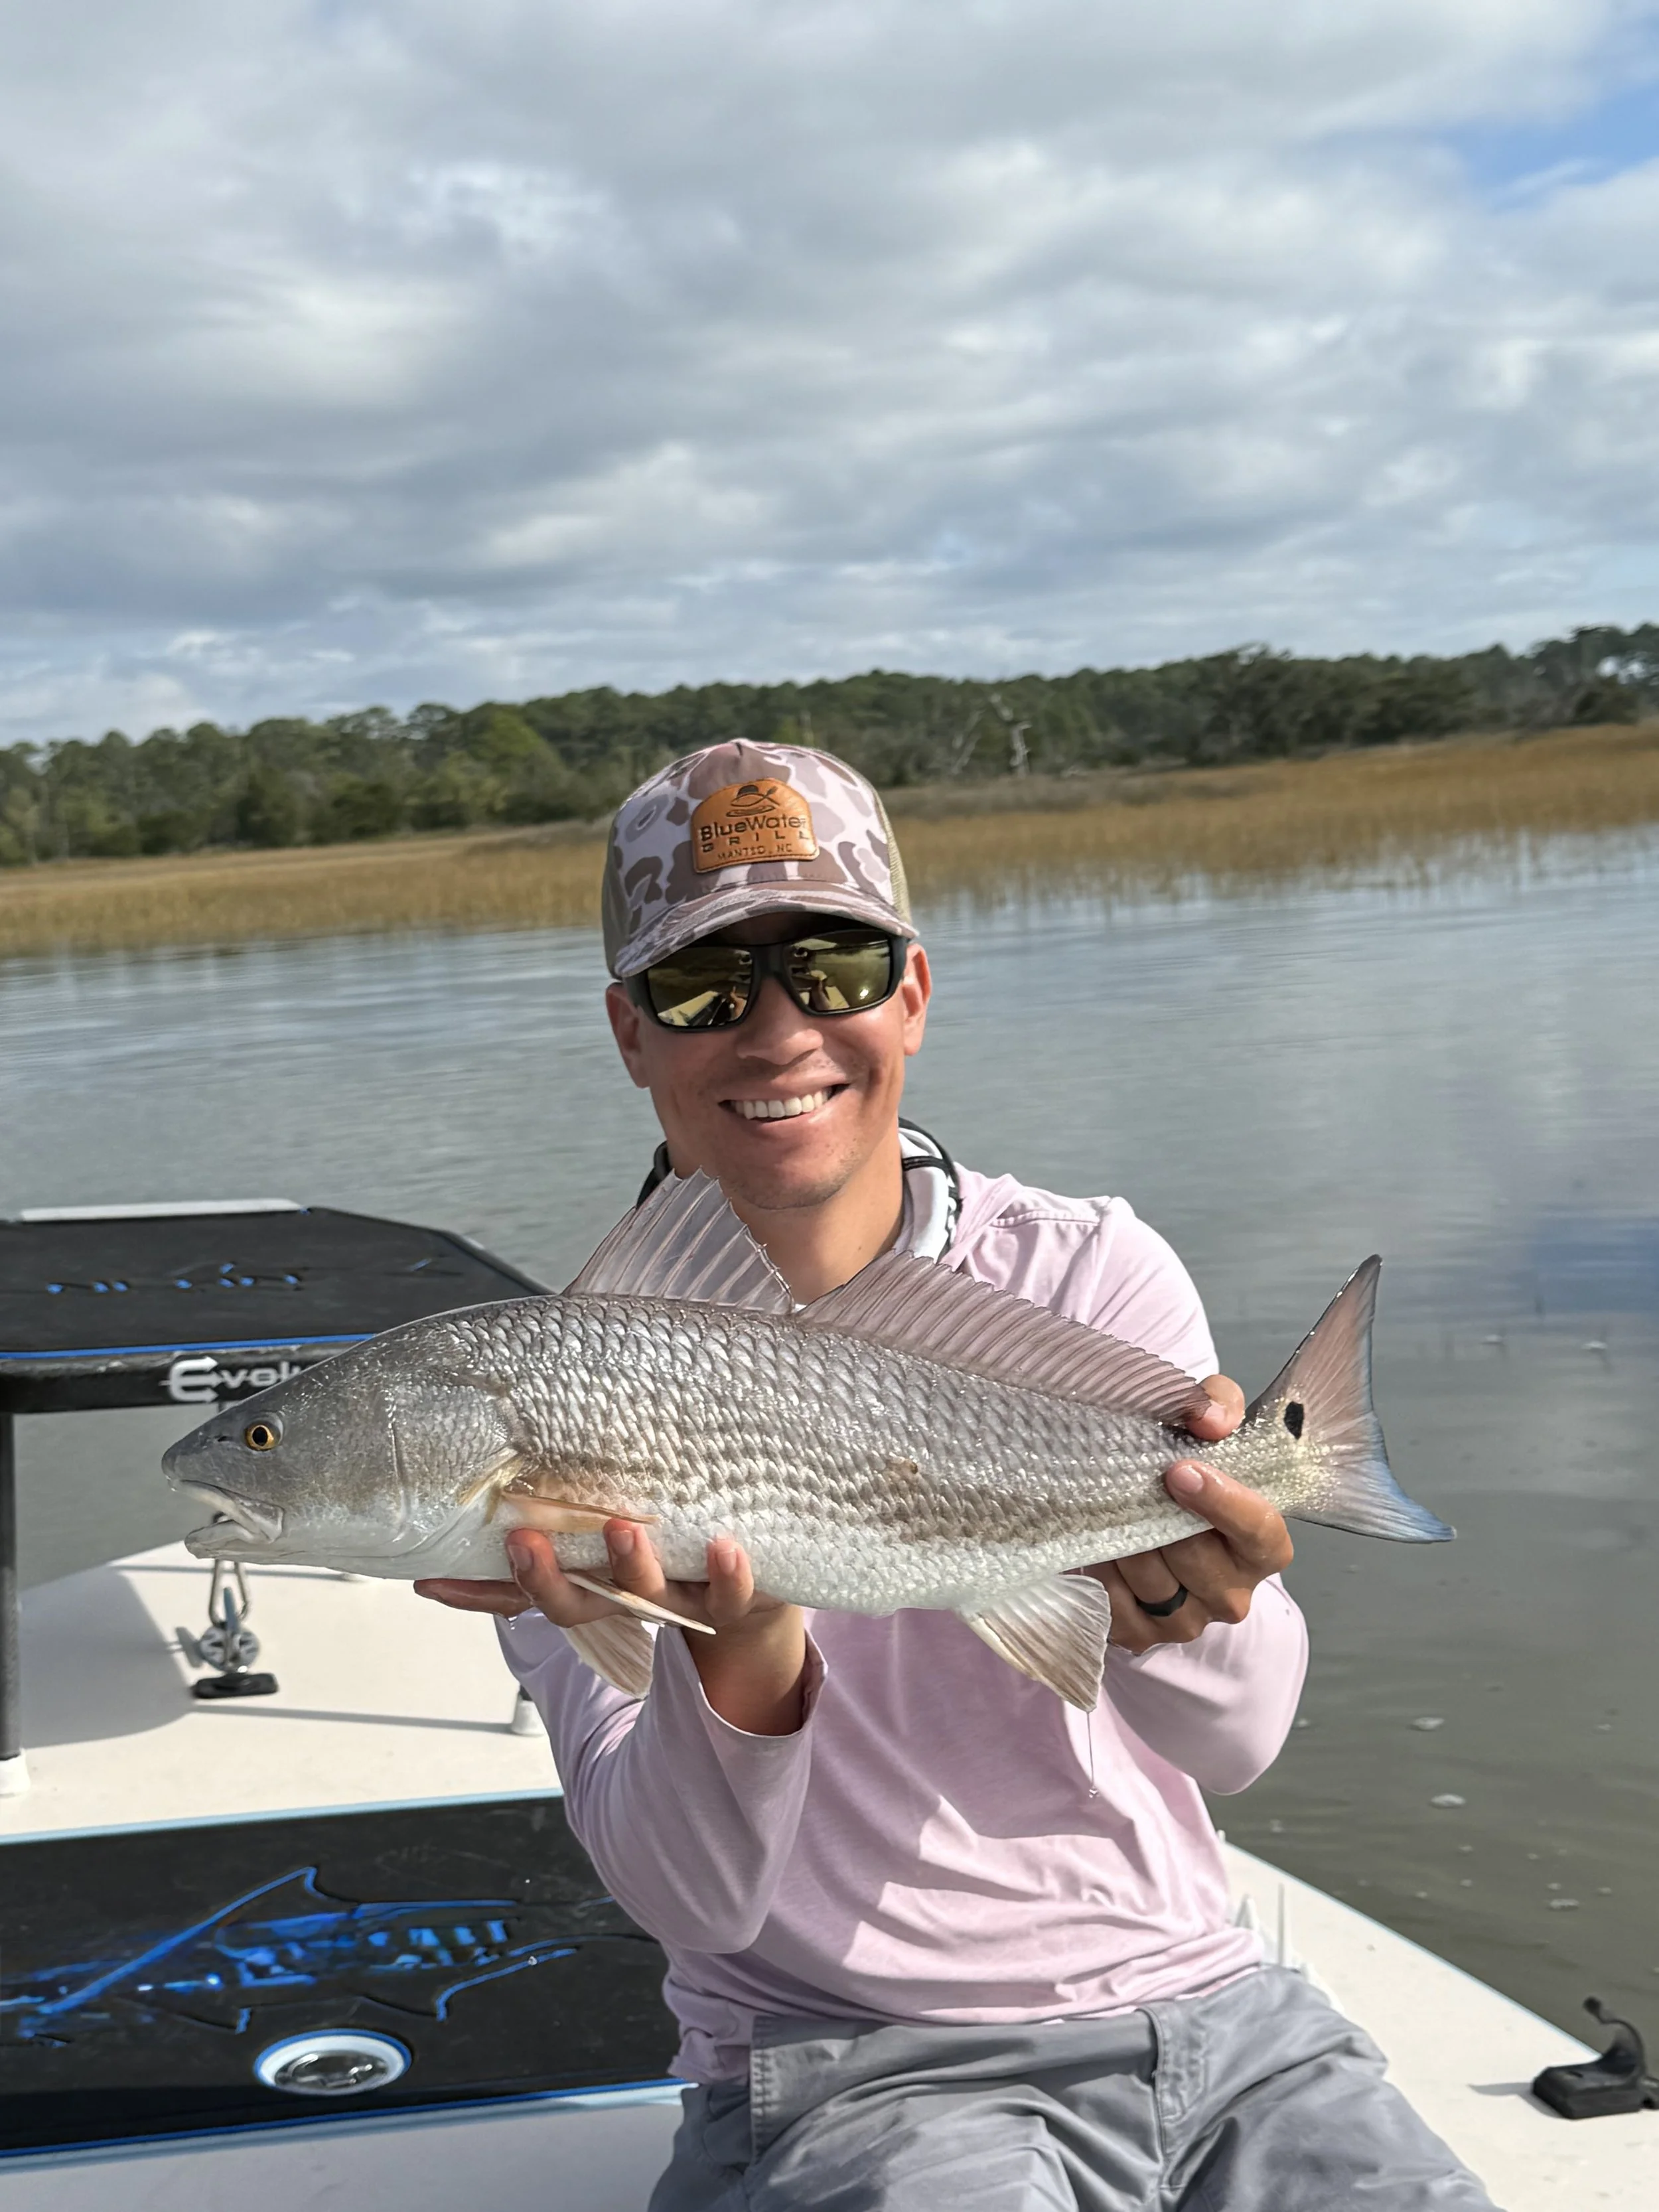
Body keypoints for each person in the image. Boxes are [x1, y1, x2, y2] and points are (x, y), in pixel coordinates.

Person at [417, 743, 1497, 2210]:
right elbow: (692, 1902)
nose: (777, 1030)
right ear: (629, 1033)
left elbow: (1237, 1746)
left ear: (911, 994)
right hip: (848, 2060)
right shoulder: (550, 1395)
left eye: (834, 967)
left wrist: (1178, 1614)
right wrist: (740, 1665)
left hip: (1227, 2020)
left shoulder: (1082, 1269)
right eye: (701, 988)